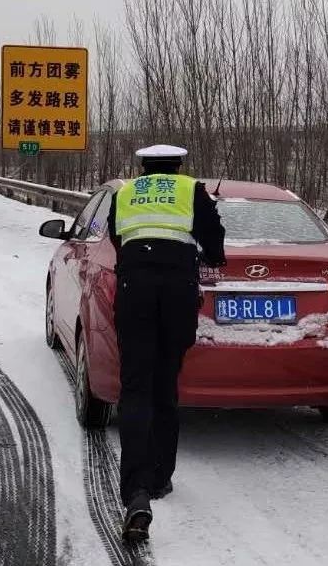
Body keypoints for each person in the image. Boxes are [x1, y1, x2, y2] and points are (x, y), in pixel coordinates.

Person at [107, 144, 226, 542]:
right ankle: (160, 477)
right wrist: (213, 255)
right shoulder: (191, 190)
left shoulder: (125, 192)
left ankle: (136, 493)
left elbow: (116, 237)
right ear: (178, 165)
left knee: (135, 386)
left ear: (143, 167)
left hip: (133, 289)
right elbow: (213, 239)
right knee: (165, 383)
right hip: (177, 292)